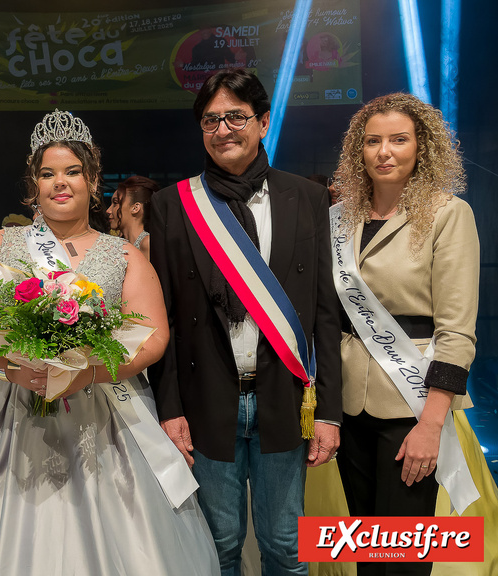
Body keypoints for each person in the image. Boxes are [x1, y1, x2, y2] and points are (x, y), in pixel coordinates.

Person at [0, 109, 220, 575]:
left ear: (92, 180)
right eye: (48, 174)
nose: (60, 183)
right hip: (10, 408)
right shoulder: (0, 244)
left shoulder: (122, 254)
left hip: (105, 411)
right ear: (34, 185)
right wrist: (11, 369)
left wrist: (89, 371)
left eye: (72, 172)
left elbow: (153, 334)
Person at [148, 68, 342, 575]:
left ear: (263, 122)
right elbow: (165, 318)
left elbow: (325, 313)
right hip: (205, 401)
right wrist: (169, 409)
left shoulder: (307, 198)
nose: (223, 130)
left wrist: (329, 412)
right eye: (211, 120)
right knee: (218, 547)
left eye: (236, 116)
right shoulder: (172, 205)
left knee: (286, 547)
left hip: (286, 398)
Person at [332, 93, 484, 576]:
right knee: (365, 553)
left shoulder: (448, 213)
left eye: (399, 140)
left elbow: (457, 332)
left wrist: (431, 425)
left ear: (423, 147)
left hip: (413, 405)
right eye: (372, 141)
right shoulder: (341, 218)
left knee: (402, 559)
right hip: (349, 404)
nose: (384, 152)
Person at [106, 175, 160, 260]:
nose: (108, 210)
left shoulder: (146, 244)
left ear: (135, 208)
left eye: (115, 203)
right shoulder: (117, 243)